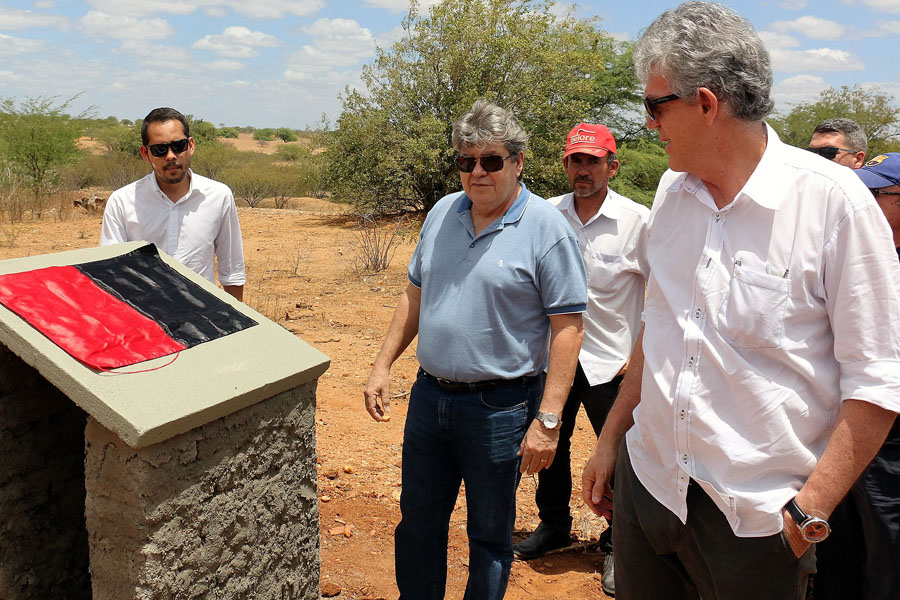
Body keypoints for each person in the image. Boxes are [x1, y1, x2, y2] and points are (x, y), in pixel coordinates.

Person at [581, 4, 900, 600]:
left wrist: (804, 519)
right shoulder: (674, 191)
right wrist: (610, 442)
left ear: (705, 104)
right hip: (649, 490)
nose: (650, 124)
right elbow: (661, 325)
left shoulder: (836, 206)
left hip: (756, 525)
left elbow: (878, 384)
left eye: (655, 106)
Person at [363, 99, 586, 600]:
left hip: (500, 408)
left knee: (488, 534)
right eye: (467, 161)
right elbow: (414, 294)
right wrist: (382, 364)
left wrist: (548, 421)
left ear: (519, 161)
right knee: (418, 522)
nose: (477, 173)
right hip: (429, 399)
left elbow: (568, 327)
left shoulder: (547, 230)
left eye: (491, 160)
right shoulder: (443, 212)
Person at [513, 123, 649, 597]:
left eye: (594, 161)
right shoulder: (544, 215)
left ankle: (617, 545)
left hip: (614, 363)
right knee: (551, 444)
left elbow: (666, 292)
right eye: (576, 160)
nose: (583, 170)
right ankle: (553, 526)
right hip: (555, 360)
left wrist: (640, 353)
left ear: (613, 166)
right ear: (565, 164)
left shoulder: (637, 221)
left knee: (623, 458)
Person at [815, 153, 900, 600]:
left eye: (875, 193)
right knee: (835, 545)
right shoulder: (852, 253)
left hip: (890, 437)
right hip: (840, 426)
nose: (860, 201)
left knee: (885, 547)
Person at [100, 107, 245, 301]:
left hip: (203, 314)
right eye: (159, 149)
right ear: (145, 154)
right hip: (145, 314)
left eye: (178, 146)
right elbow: (111, 272)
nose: (170, 156)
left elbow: (232, 270)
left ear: (191, 145)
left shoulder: (218, 196)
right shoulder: (122, 201)